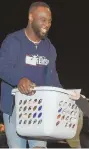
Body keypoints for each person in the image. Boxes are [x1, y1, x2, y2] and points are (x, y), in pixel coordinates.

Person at [0, 2, 62, 148]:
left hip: (38, 110)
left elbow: (52, 78)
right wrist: (19, 79)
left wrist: (63, 95)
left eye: (50, 20)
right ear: (31, 17)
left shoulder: (49, 48)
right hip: (14, 107)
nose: (47, 24)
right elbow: (3, 67)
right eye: (43, 19)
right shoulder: (14, 41)